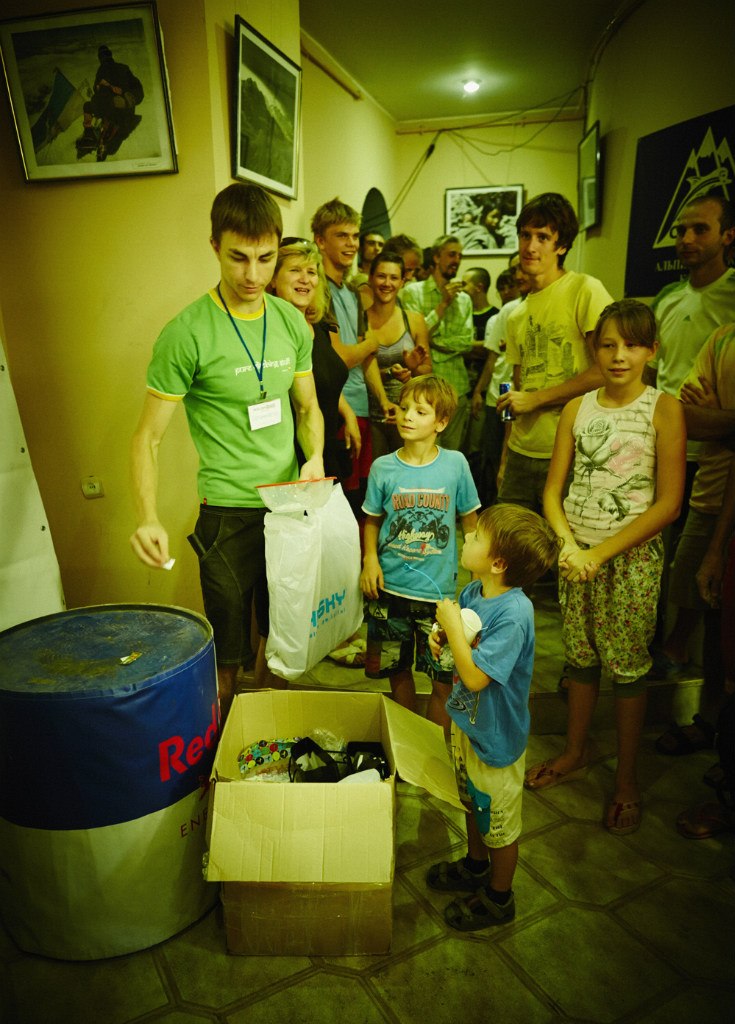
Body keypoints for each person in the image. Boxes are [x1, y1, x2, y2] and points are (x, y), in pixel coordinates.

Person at [130, 183, 324, 720]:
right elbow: (146, 437)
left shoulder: (289, 322)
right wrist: (146, 516)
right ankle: (221, 754)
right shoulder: (186, 333)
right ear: (214, 245)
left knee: (283, 641)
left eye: (265, 259)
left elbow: (308, 409)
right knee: (228, 655)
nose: (253, 275)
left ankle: (267, 742)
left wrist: (314, 458)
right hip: (228, 513)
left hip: (287, 505)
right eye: (239, 257)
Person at [524, 300, 686, 837]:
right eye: (609, 344)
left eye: (633, 344)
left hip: (630, 560)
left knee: (628, 666)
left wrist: (602, 553)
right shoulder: (578, 408)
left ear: (651, 351)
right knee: (580, 658)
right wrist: (570, 546)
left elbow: (668, 504)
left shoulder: (663, 408)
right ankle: (575, 750)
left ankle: (627, 779)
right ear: (595, 348)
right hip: (577, 556)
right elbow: (554, 491)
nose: (620, 355)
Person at [425, 504, 559, 930]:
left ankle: (500, 897)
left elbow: (477, 676)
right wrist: (441, 637)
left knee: (498, 823)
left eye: (477, 536)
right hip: (469, 724)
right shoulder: (472, 593)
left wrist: (449, 625)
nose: (469, 538)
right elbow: (459, 647)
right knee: (471, 801)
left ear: (498, 563)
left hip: (497, 739)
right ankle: (475, 865)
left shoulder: (515, 614)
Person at [648, 194, 735, 683]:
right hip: (666, 448)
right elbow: (655, 375)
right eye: (681, 230)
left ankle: (680, 650)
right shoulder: (668, 298)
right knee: (657, 555)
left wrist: (713, 419)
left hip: (719, 456)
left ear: (728, 235)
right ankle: (652, 643)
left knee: (701, 558)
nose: (685, 240)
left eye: (700, 230)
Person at [360, 375, 480, 725]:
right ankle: (407, 745)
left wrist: (476, 586)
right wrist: (369, 560)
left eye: (420, 411)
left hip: (438, 596)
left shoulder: (456, 465)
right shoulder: (382, 467)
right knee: (396, 671)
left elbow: (471, 523)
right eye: (404, 408)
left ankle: (435, 756)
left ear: (441, 422)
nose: (407, 416)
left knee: (442, 680)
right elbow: (372, 520)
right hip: (389, 591)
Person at [496, 192, 613, 512]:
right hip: (522, 451)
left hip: (571, 450)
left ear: (561, 246)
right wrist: (505, 456)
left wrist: (536, 399)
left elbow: (607, 369)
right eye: (525, 235)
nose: (531, 247)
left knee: (561, 554)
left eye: (543, 237)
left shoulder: (584, 289)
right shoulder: (516, 314)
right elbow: (517, 391)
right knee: (511, 553)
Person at [654, 322, 735, 753]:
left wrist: (719, 415)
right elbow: (684, 415)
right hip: (709, 494)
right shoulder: (721, 336)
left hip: (718, 498)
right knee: (704, 604)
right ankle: (711, 723)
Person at [312, 199, 394, 520]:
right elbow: (340, 358)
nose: (351, 244)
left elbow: (365, 356)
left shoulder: (350, 290)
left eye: (354, 236)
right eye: (341, 236)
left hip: (362, 408)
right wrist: (371, 342)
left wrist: (384, 400)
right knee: (338, 504)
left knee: (362, 502)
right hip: (337, 410)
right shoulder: (317, 290)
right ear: (320, 240)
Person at [269, 239, 360, 482]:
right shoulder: (270, 332)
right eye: (295, 270)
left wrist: (348, 413)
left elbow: (323, 379)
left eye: (311, 272)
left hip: (325, 450)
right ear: (273, 279)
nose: (305, 279)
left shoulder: (319, 327)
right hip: (294, 456)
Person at [402, 236, 475, 451]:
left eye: (460, 256)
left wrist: (433, 341)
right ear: (436, 257)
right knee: (420, 454)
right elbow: (413, 338)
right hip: (423, 392)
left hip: (457, 390)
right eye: (452, 254)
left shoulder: (465, 300)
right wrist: (443, 305)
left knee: (451, 457)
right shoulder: (412, 292)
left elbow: (466, 343)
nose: (457, 260)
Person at [471, 259, 531, 506]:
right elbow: (492, 356)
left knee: (515, 457)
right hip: (500, 394)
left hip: (528, 398)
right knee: (494, 456)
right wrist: (479, 391)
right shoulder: (510, 311)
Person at [365, 251, 432, 458]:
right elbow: (357, 368)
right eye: (381, 276)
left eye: (394, 277)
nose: (387, 283)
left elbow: (427, 370)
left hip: (408, 417)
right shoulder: (359, 320)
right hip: (368, 414)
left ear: (403, 281)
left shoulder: (414, 320)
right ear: (370, 278)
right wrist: (389, 373)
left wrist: (412, 367)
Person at [77, 44, 143, 160]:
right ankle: (90, 134)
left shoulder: (121, 69)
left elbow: (138, 90)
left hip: (121, 113)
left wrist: (126, 100)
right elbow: (98, 89)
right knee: (88, 107)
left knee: (112, 144)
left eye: (103, 56)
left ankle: (94, 137)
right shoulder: (104, 70)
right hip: (107, 108)